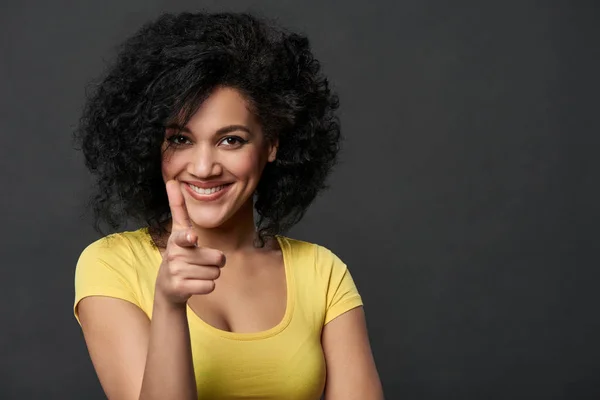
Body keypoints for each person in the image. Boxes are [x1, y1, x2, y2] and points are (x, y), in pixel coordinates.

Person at [73, 11, 383, 400]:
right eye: (181, 140)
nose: (203, 168)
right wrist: (169, 306)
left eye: (231, 140)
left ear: (271, 145)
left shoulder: (322, 274)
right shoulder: (111, 265)